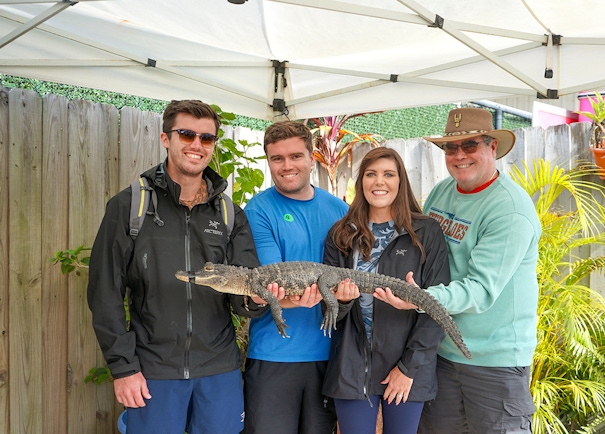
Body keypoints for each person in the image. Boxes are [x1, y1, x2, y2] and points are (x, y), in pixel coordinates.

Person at [87, 100, 266, 434]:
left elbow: (243, 295)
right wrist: (123, 368)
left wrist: (256, 300)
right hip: (154, 369)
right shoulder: (129, 206)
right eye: (186, 134)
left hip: (219, 370)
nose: (196, 145)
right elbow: (105, 294)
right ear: (166, 138)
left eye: (207, 138)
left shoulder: (229, 214)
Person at [374, 107, 541, 433]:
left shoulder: (510, 209)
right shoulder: (441, 193)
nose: (459, 155)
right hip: (442, 353)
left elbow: (481, 290)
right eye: (452, 148)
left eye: (470, 146)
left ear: (492, 147)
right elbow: (418, 254)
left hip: (494, 361)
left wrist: (418, 298)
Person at [322, 147, 450, 434]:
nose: (379, 182)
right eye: (371, 174)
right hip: (352, 367)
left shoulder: (425, 232)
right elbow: (328, 309)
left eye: (388, 174)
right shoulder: (341, 233)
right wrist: (340, 302)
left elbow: (438, 307)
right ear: (361, 182)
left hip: (406, 365)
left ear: (400, 181)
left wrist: (410, 368)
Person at [242, 120, 348, 434]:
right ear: (269, 162)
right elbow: (274, 284)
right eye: (277, 158)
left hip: (328, 354)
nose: (287, 166)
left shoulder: (340, 210)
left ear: (312, 157)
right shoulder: (259, 210)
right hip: (273, 353)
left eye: (295, 156)